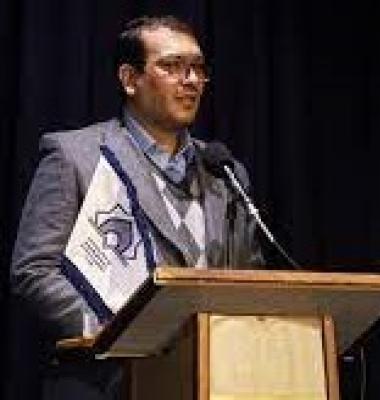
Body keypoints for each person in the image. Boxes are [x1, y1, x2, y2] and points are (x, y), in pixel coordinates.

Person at [9, 16, 263, 399]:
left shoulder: (225, 171)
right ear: (130, 79)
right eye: (172, 66)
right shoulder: (76, 157)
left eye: (198, 68)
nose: (191, 80)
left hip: (209, 379)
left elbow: (249, 275)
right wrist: (106, 327)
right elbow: (34, 270)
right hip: (104, 380)